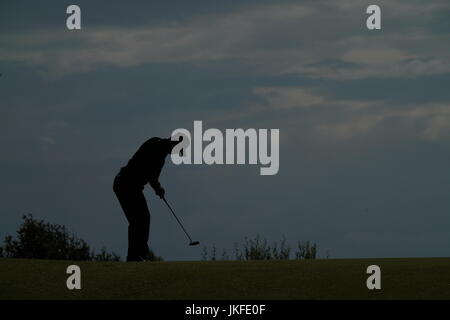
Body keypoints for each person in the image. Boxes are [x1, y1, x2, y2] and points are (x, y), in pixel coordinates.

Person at [113, 136, 182, 262]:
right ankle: (135, 255)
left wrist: (158, 188)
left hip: (131, 186)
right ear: (173, 143)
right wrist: (158, 188)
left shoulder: (160, 152)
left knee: (143, 218)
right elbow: (151, 175)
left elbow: (153, 178)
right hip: (125, 184)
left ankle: (139, 254)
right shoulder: (156, 147)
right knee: (138, 219)